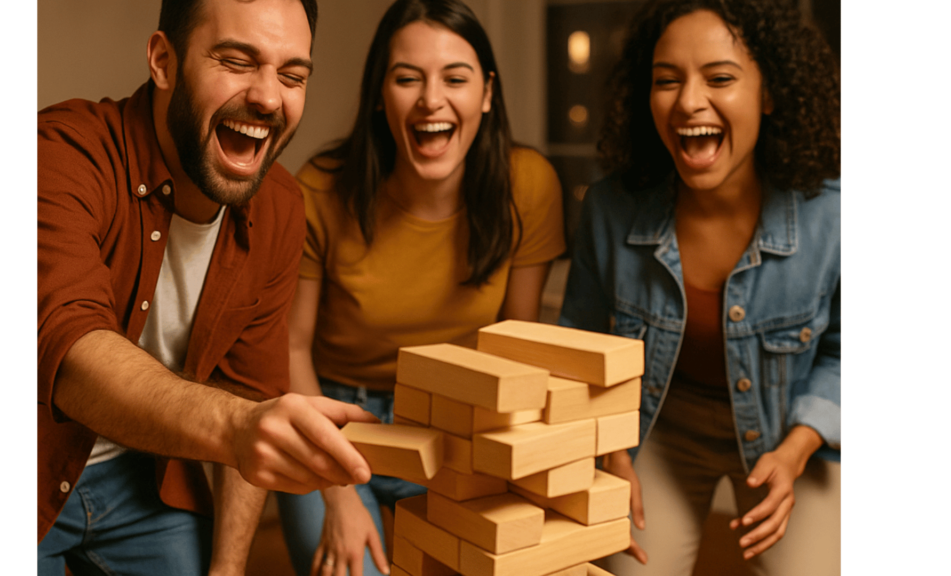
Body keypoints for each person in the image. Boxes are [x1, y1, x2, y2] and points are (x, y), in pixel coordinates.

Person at [37, 1, 379, 574]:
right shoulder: (59, 153)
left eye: (292, 75)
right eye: (237, 60)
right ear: (163, 61)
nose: (269, 97)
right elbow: (72, 351)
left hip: (147, 478)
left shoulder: (281, 207)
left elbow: (249, 390)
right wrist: (238, 427)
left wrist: (227, 571)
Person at [277, 1, 566, 575]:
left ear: (486, 93)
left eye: (454, 78)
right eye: (407, 78)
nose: (431, 99)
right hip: (336, 418)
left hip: (460, 420)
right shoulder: (321, 188)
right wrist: (336, 493)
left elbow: (520, 346)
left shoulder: (528, 184)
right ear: (380, 95)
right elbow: (289, 348)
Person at [558, 0, 840, 574]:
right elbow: (581, 346)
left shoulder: (832, 216)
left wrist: (797, 449)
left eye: (720, 78)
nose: (688, 101)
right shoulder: (611, 208)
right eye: (667, 80)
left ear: (769, 92)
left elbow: (853, 352)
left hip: (788, 430)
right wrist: (609, 452)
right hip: (657, 429)